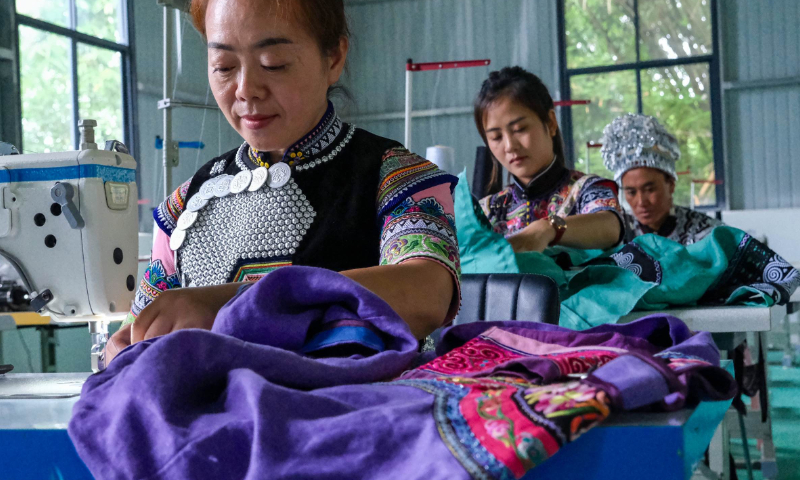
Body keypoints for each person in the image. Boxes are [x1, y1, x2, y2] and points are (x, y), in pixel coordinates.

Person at [106, 0, 460, 364]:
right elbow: (136, 326)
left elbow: (427, 293)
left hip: (357, 397)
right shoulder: (184, 205)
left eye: (273, 63)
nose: (246, 89)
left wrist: (230, 303)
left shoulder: (396, 177)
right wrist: (121, 346)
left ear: (334, 58)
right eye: (224, 66)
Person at [475, 67, 624, 253]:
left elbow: (610, 226)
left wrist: (549, 228)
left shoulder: (584, 190)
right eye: (496, 137)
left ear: (551, 123)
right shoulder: (486, 212)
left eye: (520, 129)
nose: (509, 146)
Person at [601, 113, 722, 245]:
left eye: (649, 189)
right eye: (631, 192)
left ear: (671, 184)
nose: (641, 202)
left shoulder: (707, 235)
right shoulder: (618, 233)